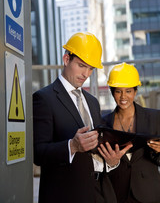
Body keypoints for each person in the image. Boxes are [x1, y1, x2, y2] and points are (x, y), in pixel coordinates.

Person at [33, 33, 132, 203]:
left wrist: (112, 160)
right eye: (81, 65)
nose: (86, 74)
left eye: (91, 68)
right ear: (66, 59)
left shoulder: (92, 102)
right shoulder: (44, 98)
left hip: (99, 193)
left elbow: (98, 147)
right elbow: (38, 153)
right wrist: (72, 146)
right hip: (66, 195)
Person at [100, 62, 160, 203]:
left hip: (148, 193)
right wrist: (109, 162)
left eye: (128, 91)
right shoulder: (104, 124)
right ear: (112, 92)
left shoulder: (155, 118)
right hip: (117, 193)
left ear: (135, 91)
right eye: (118, 91)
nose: (123, 97)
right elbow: (99, 164)